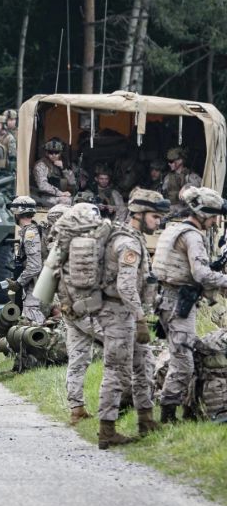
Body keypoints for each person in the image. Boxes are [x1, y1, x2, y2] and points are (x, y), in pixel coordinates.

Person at [95, 188, 166, 448]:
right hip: (118, 314)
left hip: (127, 313)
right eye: (155, 217)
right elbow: (126, 286)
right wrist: (139, 319)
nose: (158, 222)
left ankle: (146, 420)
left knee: (143, 365)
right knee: (117, 371)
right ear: (139, 214)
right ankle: (107, 430)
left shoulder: (130, 237)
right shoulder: (128, 243)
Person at [153, 187, 227, 423]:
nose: (216, 221)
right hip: (178, 304)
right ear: (203, 213)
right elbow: (201, 275)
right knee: (184, 363)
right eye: (214, 215)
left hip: (167, 300)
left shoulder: (175, 230)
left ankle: (185, 407)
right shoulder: (193, 236)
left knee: (185, 356)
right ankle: (167, 414)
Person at [7, 196, 44, 323]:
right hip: (37, 280)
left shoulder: (30, 234)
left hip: (37, 282)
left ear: (17, 213)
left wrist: (18, 283)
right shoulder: (30, 231)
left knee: (32, 314)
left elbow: (35, 266)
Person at [32, 138, 76, 207]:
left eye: (56, 152)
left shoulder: (61, 163)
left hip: (57, 196)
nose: (54, 155)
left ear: (60, 153)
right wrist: (60, 193)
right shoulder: (41, 165)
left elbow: (72, 182)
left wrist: (64, 169)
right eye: (51, 152)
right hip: (43, 197)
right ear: (46, 153)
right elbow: (42, 185)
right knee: (66, 201)